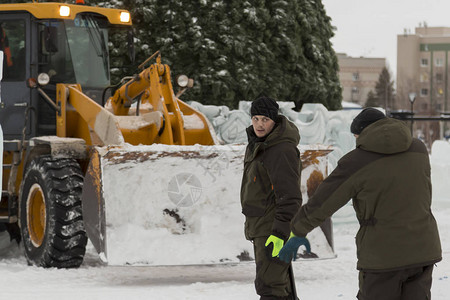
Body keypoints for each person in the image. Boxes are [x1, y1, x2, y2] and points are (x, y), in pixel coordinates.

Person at [279, 108, 442, 300]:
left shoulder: (356, 161)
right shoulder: (419, 150)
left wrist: (298, 229)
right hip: (423, 250)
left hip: (382, 256)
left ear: (363, 133)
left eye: (356, 136)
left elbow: (324, 201)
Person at [240, 96, 302, 300]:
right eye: (255, 118)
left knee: (270, 286)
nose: (259, 124)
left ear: (274, 121)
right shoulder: (259, 145)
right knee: (277, 286)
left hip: (272, 230)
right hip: (261, 226)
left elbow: (290, 197)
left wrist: (279, 232)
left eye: (265, 119)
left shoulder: (280, 149)